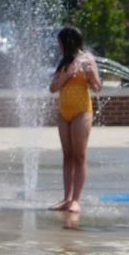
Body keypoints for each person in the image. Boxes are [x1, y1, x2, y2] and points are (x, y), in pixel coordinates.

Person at [47, 27, 101, 213]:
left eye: (60, 43)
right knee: (67, 156)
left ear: (68, 42)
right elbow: (53, 88)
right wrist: (66, 74)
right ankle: (66, 198)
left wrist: (91, 74)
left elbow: (97, 87)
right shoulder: (64, 63)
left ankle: (76, 200)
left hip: (81, 112)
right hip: (64, 113)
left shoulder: (87, 60)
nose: (58, 47)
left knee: (79, 156)